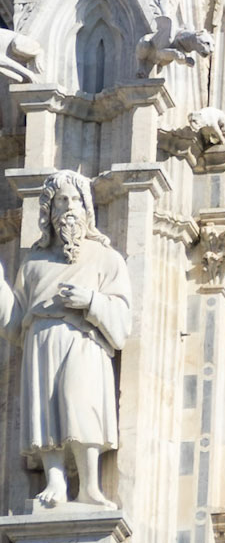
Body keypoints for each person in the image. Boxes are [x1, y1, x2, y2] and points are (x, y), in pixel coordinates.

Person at [0, 169, 132, 509]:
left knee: (80, 402)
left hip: (84, 341)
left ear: (87, 208)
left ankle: (89, 485)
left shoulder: (106, 258)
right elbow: (15, 324)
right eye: (62, 200)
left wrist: (90, 301)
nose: (70, 207)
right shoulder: (33, 264)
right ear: (50, 210)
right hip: (41, 343)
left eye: (76, 200)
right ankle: (55, 481)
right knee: (45, 410)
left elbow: (121, 320)